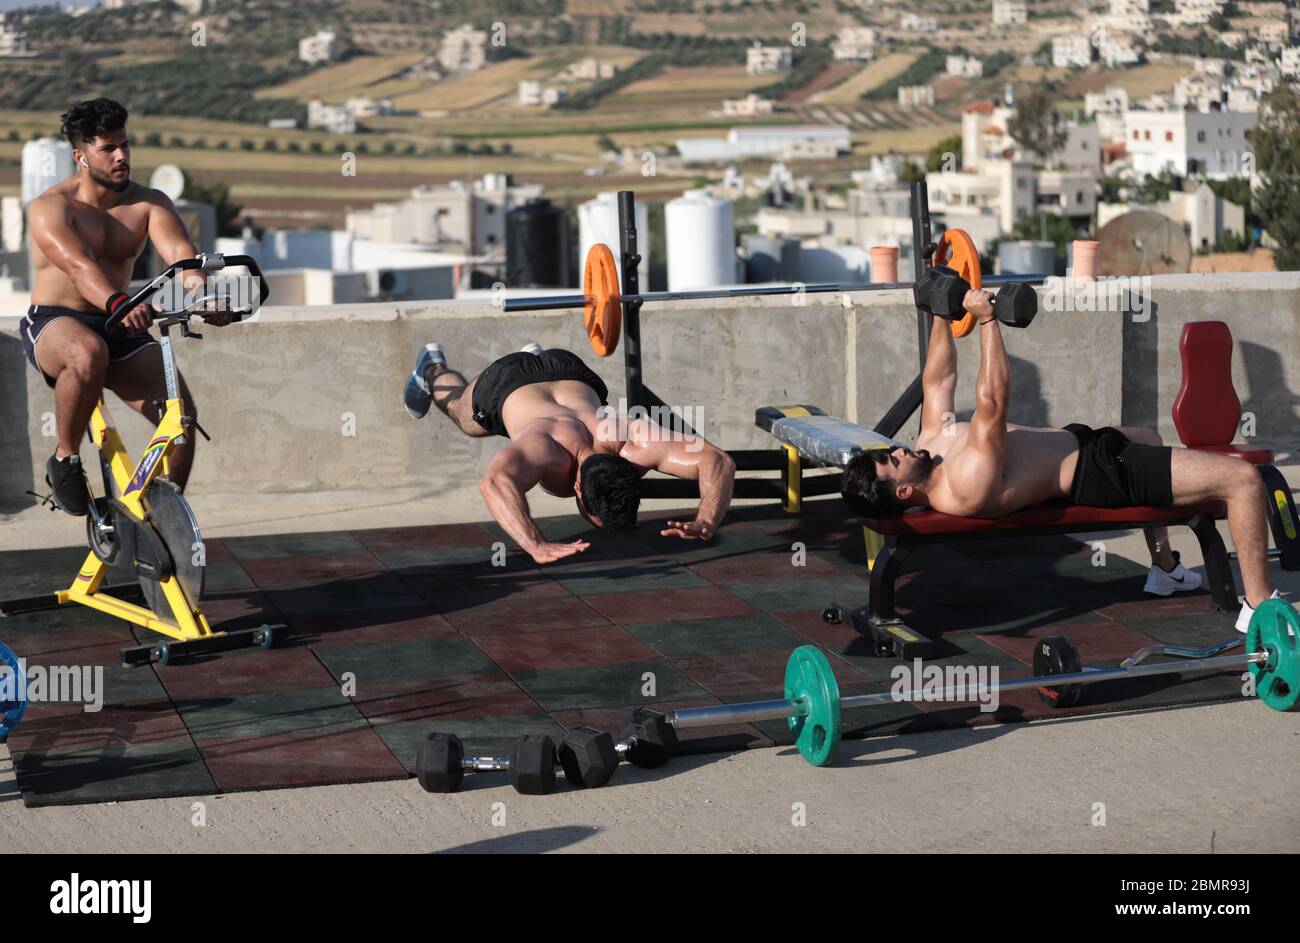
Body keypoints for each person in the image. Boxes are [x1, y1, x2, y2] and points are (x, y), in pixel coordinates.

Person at [841, 287, 1283, 632]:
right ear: (902, 490)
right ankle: (1257, 605)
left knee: (1146, 435)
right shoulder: (963, 480)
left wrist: (942, 311)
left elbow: (937, 380)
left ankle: (1164, 568)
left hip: (1083, 442)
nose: (898, 449)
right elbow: (993, 400)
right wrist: (989, 319)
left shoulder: (931, 448)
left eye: (890, 451)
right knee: (1242, 480)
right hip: (1100, 474)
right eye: (892, 461)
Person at [22, 97, 233, 515]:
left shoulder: (149, 203)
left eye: (125, 145)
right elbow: (79, 267)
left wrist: (204, 295)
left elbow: (183, 259)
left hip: (120, 324)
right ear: (80, 156)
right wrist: (118, 300)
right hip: (57, 322)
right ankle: (65, 458)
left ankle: (163, 520)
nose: (122, 156)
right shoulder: (51, 208)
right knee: (87, 352)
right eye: (108, 148)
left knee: (181, 419)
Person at [403, 342, 736, 564]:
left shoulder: (629, 440)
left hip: (569, 369)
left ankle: (532, 355)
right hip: (507, 379)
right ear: (577, 488)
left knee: (527, 402)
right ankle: (431, 367)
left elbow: (716, 460)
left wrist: (708, 518)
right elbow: (494, 483)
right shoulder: (547, 447)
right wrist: (535, 544)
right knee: (465, 415)